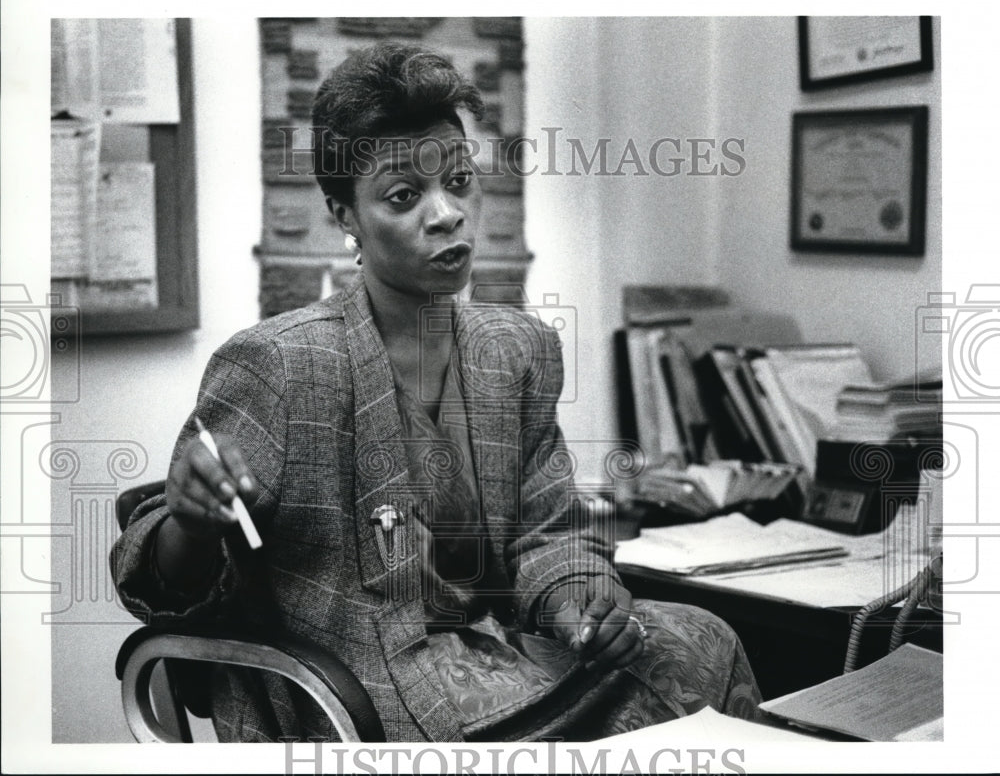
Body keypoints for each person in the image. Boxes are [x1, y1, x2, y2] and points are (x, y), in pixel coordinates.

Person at [111, 42, 762, 742]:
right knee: (659, 716)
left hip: (498, 659)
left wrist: (581, 599)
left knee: (707, 639)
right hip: (356, 694)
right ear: (344, 214)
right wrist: (191, 524)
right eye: (403, 195)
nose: (446, 213)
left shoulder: (518, 350)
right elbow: (153, 580)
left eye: (458, 180)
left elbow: (548, 535)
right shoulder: (280, 363)